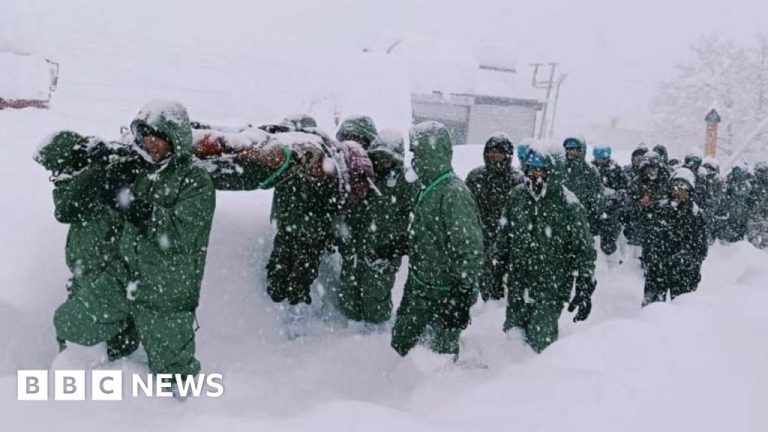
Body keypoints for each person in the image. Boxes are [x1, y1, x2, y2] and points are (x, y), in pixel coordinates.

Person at [53, 100, 216, 380]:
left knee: (174, 373)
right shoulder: (138, 166)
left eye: (157, 136)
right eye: (144, 135)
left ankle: (193, 417)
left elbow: (180, 233)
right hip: (123, 276)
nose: (149, 143)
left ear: (174, 138)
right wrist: (101, 168)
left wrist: (133, 206)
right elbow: (69, 208)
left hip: (166, 290)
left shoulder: (195, 180)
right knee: (71, 323)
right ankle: (101, 373)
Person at [35, 131, 144, 361]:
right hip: (91, 280)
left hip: (111, 283)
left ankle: (112, 368)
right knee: (70, 330)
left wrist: (98, 169)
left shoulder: (101, 187)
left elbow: (66, 211)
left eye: (58, 169)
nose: (55, 177)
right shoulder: (82, 190)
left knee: (70, 324)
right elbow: (68, 208)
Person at [391, 121, 483, 358]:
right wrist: (400, 244)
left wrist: (461, 296)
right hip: (420, 287)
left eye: (418, 153)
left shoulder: (453, 193)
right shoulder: (428, 187)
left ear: (433, 152)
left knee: (435, 359)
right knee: (404, 346)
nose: (414, 160)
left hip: (444, 294)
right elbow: (430, 232)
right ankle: (397, 391)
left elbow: (469, 249)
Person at [490, 147, 596, 353]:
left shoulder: (568, 204)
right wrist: (498, 265)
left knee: (541, 339)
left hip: (552, 285)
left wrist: (584, 284)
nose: (534, 174)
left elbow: (584, 248)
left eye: (541, 170)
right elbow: (504, 233)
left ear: (553, 171)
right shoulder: (518, 196)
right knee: (514, 335)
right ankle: (508, 380)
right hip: (519, 281)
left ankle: (539, 379)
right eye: (531, 169)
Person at [337, 129, 418, 326]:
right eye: (378, 157)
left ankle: (375, 334)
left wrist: (400, 243)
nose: (382, 162)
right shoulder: (362, 176)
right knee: (349, 291)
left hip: (384, 251)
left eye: (387, 158)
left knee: (375, 294)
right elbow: (345, 207)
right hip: (356, 247)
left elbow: (419, 216)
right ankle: (349, 334)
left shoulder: (405, 182)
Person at [466, 133, 523, 301]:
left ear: (508, 155)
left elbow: (520, 213)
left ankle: (492, 311)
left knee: (498, 282)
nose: (495, 155)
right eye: (492, 151)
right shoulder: (476, 176)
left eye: (500, 152)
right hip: (478, 235)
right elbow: (466, 206)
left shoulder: (517, 180)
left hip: (505, 238)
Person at [641, 168, 708, 305]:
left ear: (690, 190)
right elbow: (648, 236)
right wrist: (650, 258)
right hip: (658, 269)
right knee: (652, 310)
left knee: (683, 311)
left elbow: (701, 247)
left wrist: (688, 260)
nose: (679, 191)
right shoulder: (659, 208)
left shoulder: (696, 215)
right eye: (676, 186)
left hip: (684, 272)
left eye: (683, 187)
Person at [591, 145, 630, 255]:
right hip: (593, 208)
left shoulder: (616, 170)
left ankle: (612, 257)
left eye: (603, 157)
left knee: (610, 235)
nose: (601, 160)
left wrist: (614, 197)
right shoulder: (590, 168)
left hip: (611, 210)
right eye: (598, 156)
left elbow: (625, 189)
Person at [561, 137, 604, 235]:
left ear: (581, 150)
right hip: (562, 215)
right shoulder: (560, 167)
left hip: (582, 216)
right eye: (568, 149)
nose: (570, 152)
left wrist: (593, 219)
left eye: (574, 149)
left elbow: (597, 197)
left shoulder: (590, 170)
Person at [625, 151, 667, 247]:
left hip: (659, 225)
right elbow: (629, 201)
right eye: (649, 169)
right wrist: (639, 203)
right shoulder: (636, 183)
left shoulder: (665, 183)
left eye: (654, 168)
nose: (652, 171)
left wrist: (655, 202)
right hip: (639, 224)